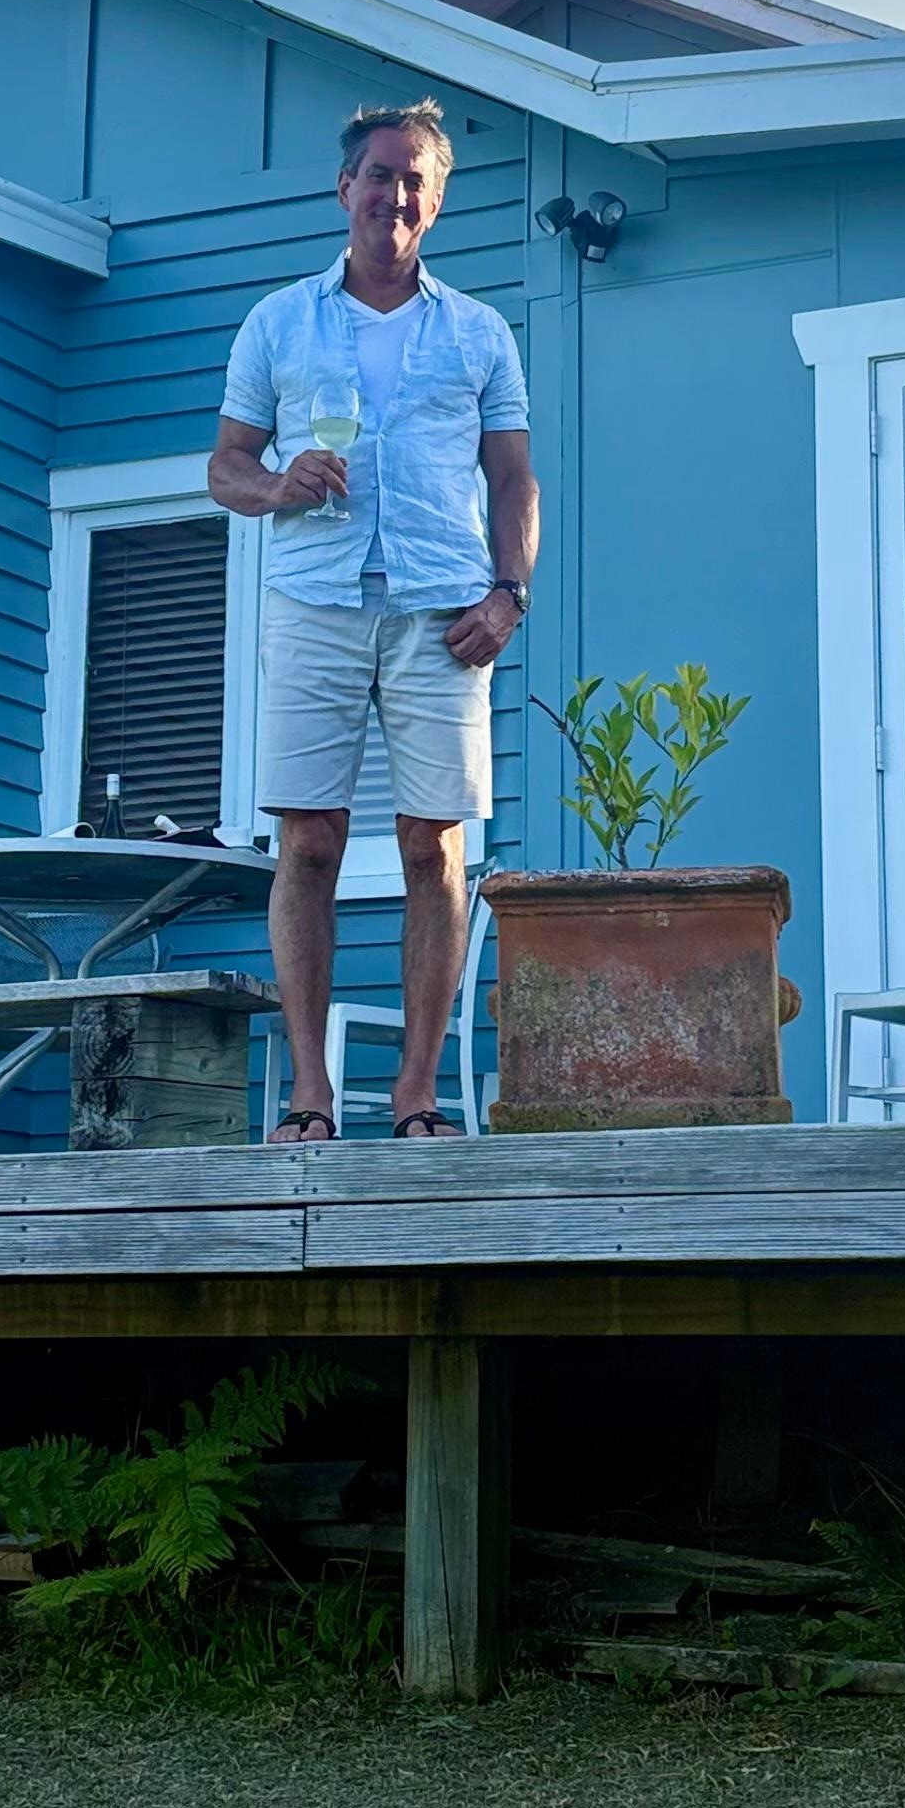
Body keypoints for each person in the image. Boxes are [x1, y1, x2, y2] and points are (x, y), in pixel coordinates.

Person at [211, 98, 537, 1140]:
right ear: (344, 187)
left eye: (415, 181)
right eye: (379, 174)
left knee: (433, 848)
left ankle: (415, 1094)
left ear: (435, 202)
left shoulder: (481, 332)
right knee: (307, 842)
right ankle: (309, 1095)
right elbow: (225, 466)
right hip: (314, 601)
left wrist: (508, 594)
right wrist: (277, 484)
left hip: (444, 610)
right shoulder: (279, 322)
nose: (394, 194)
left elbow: (515, 480)